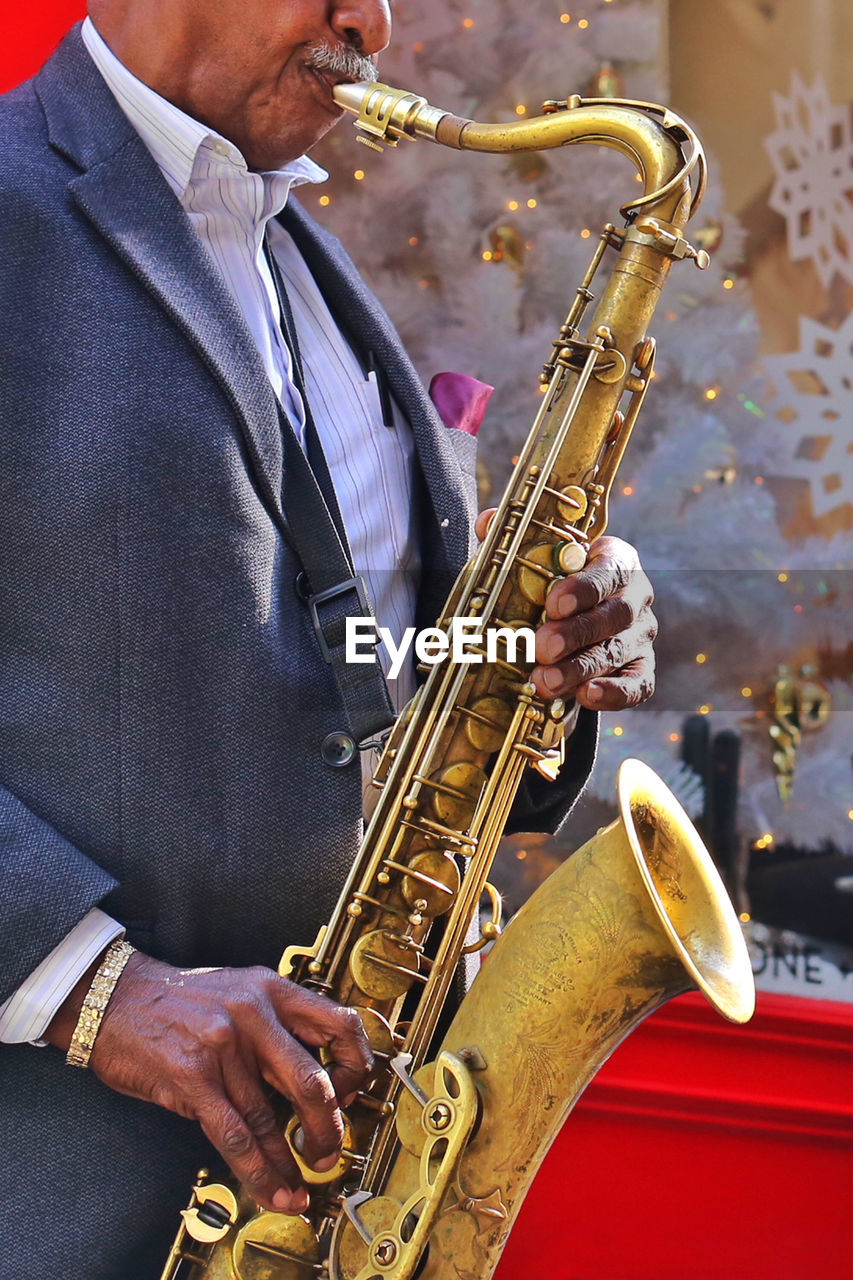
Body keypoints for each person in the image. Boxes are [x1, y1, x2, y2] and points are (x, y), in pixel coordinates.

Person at [0, 2, 658, 1276]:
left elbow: (368, 663)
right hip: (62, 1197)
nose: (376, 19)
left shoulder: (296, 250)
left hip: (331, 1187)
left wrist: (541, 655)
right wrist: (93, 990)